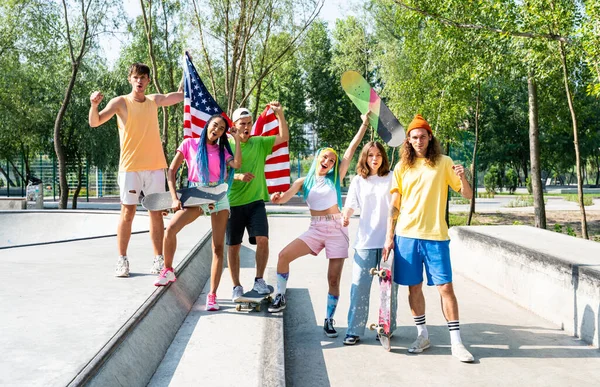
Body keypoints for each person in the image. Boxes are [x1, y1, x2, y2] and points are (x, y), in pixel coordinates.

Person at [267, 113, 370, 339]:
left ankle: (329, 320)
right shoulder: (303, 182)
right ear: (318, 158)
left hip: (336, 230)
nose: (329, 162)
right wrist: (277, 198)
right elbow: (284, 198)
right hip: (315, 228)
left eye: (332, 160)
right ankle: (280, 296)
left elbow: (351, 150)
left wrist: (363, 123)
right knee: (283, 256)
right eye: (325, 158)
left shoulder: (336, 178)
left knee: (333, 279)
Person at [382, 114, 475, 362]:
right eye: (414, 137)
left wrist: (463, 176)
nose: (418, 141)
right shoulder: (402, 167)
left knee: (446, 288)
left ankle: (456, 342)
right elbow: (395, 204)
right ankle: (422, 335)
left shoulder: (444, 162)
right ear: (408, 141)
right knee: (414, 288)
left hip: (436, 236)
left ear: (429, 137)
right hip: (406, 236)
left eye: (423, 136)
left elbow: (466, 195)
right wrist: (389, 236)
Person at [89, 63, 183, 277]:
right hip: (130, 168)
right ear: (130, 79)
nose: (139, 81)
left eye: (143, 77)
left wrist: (187, 74)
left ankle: (158, 259)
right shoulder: (121, 102)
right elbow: (95, 122)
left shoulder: (154, 100)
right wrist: (94, 105)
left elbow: (177, 96)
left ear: (148, 80)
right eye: (135, 77)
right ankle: (122, 260)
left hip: (155, 167)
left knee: (156, 213)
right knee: (127, 213)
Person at [154, 114, 241, 311]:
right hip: (196, 194)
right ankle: (168, 270)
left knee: (218, 248)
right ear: (207, 124)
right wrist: (175, 198)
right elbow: (171, 171)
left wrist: (235, 139)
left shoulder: (222, 151)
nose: (217, 130)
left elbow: (236, 165)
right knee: (170, 229)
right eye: (215, 125)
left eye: (221, 129)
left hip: (218, 195)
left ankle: (212, 295)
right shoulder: (189, 144)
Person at [226, 101, 289, 301]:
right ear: (234, 125)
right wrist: (238, 176)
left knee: (263, 240)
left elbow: (283, 137)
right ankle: (236, 286)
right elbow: (219, 172)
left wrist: (280, 115)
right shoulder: (227, 145)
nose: (246, 127)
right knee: (234, 246)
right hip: (233, 203)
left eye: (249, 123)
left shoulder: (260, 142)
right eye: (242, 123)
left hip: (255, 203)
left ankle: (259, 280)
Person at [341, 140, 398, 345]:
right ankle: (354, 330)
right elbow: (350, 206)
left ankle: (386, 328)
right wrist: (346, 216)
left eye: (378, 155)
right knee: (359, 287)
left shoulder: (392, 177)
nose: (374, 159)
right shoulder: (358, 180)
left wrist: (390, 237)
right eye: (370, 155)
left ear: (384, 157)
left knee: (388, 289)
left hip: (388, 242)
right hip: (364, 241)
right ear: (364, 158)